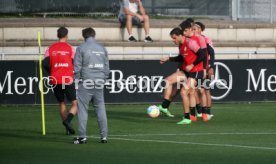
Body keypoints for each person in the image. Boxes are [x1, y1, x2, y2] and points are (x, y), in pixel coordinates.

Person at [73, 27, 110, 144]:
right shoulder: (102, 48)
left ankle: (82, 136)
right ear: (94, 36)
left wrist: (76, 81)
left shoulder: (81, 48)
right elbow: (106, 68)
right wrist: (103, 79)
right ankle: (104, 136)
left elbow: (77, 67)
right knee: (100, 109)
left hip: (86, 81)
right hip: (99, 81)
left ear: (84, 36)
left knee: (83, 109)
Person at [42, 27, 77, 135]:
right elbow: (75, 63)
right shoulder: (70, 48)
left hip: (56, 79)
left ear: (57, 35)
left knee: (61, 103)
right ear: (67, 35)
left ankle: (67, 128)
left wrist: (53, 71)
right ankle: (68, 121)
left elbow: (45, 64)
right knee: (75, 104)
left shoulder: (50, 49)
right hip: (67, 79)